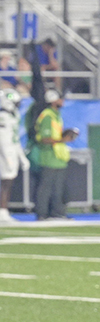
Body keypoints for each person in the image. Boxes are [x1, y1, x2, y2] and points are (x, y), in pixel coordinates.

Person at [32, 90, 75, 220]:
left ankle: (57, 213)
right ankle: (42, 213)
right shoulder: (48, 116)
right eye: (60, 98)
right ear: (53, 100)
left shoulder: (56, 114)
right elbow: (44, 138)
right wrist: (63, 140)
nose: (62, 101)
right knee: (45, 188)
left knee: (58, 188)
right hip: (48, 157)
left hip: (58, 157)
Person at [0, 88, 30, 222]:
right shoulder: (3, 117)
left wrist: (22, 157)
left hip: (11, 151)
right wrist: (7, 157)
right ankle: (2, 212)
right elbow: (3, 139)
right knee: (6, 182)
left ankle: (3, 210)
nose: (18, 105)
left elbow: (15, 139)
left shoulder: (13, 115)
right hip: (4, 153)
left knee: (8, 182)